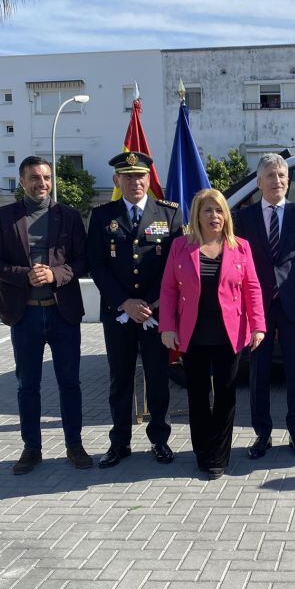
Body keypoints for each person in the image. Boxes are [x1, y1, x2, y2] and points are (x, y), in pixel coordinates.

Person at [0, 156, 90, 474]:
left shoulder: (69, 216)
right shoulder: (3, 217)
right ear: (22, 181)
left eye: (46, 177)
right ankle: (31, 448)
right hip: (25, 316)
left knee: (70, 383)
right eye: (34, 177)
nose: (41, 183)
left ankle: (75, 445)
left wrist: (55, 274)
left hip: (63, 315)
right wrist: (25, 275)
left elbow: (84, 260)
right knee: (27, 386)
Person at [159, 189, 265, 479]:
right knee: (197, 394)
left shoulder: (240, 247)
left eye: (219, 210)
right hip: (192, 334)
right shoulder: (181, 246)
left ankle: (219, 454)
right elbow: (168, 289)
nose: (214, 216)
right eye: (208, 210)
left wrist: (258, 325)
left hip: (228, 334)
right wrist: (167, 327)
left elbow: (252, 288)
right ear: (197, 215)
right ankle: (202, 452)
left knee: (226, 395)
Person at [87, 151, 183, 469]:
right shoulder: (102, 216)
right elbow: (97, 266)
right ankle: (120, 443)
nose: (135, 182)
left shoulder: (168, 214)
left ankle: (160, 440)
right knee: (120, 380)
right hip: (118, 312)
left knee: (157, 378)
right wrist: (125, 302)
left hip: (156, 312)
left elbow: (175, 264)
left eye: (140, 176)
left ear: (148, 179)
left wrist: (152, 303)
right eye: (127, 177)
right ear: (117, 180)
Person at [233, 153, 295, 459]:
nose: (277, 181)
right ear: (258, 182)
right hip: (257, 309)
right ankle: (262, 434)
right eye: (270, 176)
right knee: (259, 374)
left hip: (294, 307)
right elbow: (238, 269)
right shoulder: (243, 219)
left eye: (282, 175)